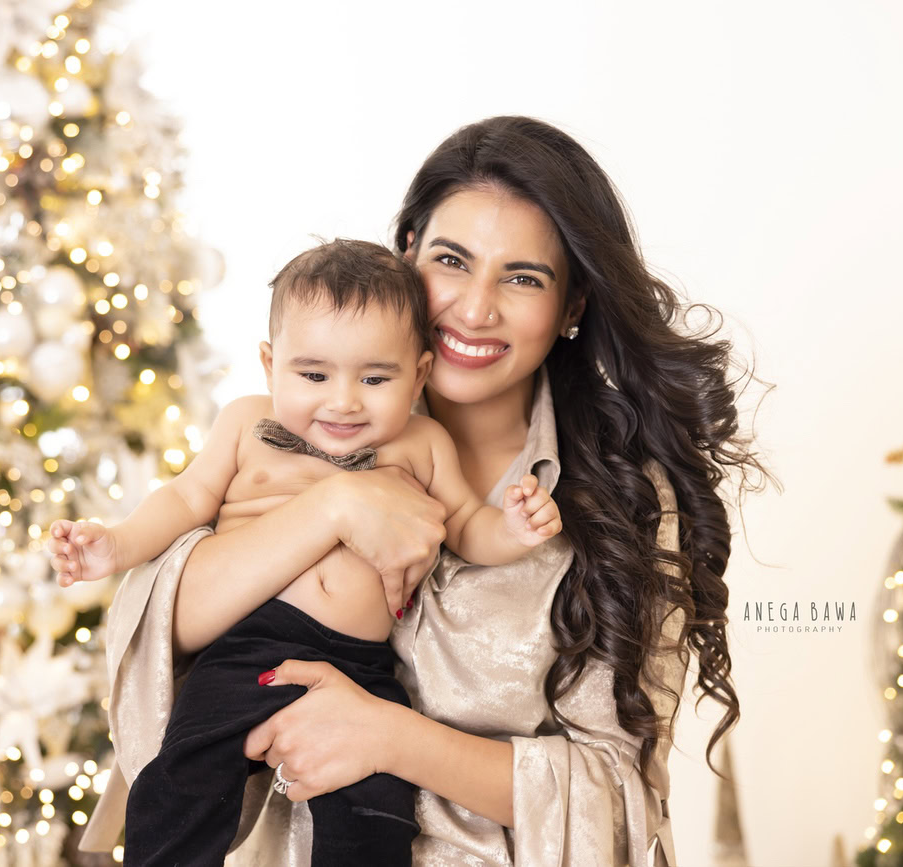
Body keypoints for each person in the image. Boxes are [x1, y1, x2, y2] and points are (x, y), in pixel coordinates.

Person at [76, 115, 765, 866]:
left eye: (524, 277)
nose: (475, 308)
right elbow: (166, 626)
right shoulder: (307, 422)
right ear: (407, 256)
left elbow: (618, 794)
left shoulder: (625, 498)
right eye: (451, 261)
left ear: (572, 307)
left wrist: (390, 737)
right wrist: (337, 506)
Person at [51, 237, 561, 866]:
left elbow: (464, 525)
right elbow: (185, 501)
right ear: (270, 364)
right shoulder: (245, 424)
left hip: (359, 668)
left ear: (419, 373)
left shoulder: (423, 441)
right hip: (247, 648)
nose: (343, 400)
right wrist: (117, 544)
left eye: (375, 378)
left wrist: (513, 529)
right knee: (185, 775)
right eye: (313, 375)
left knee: (375, 811)